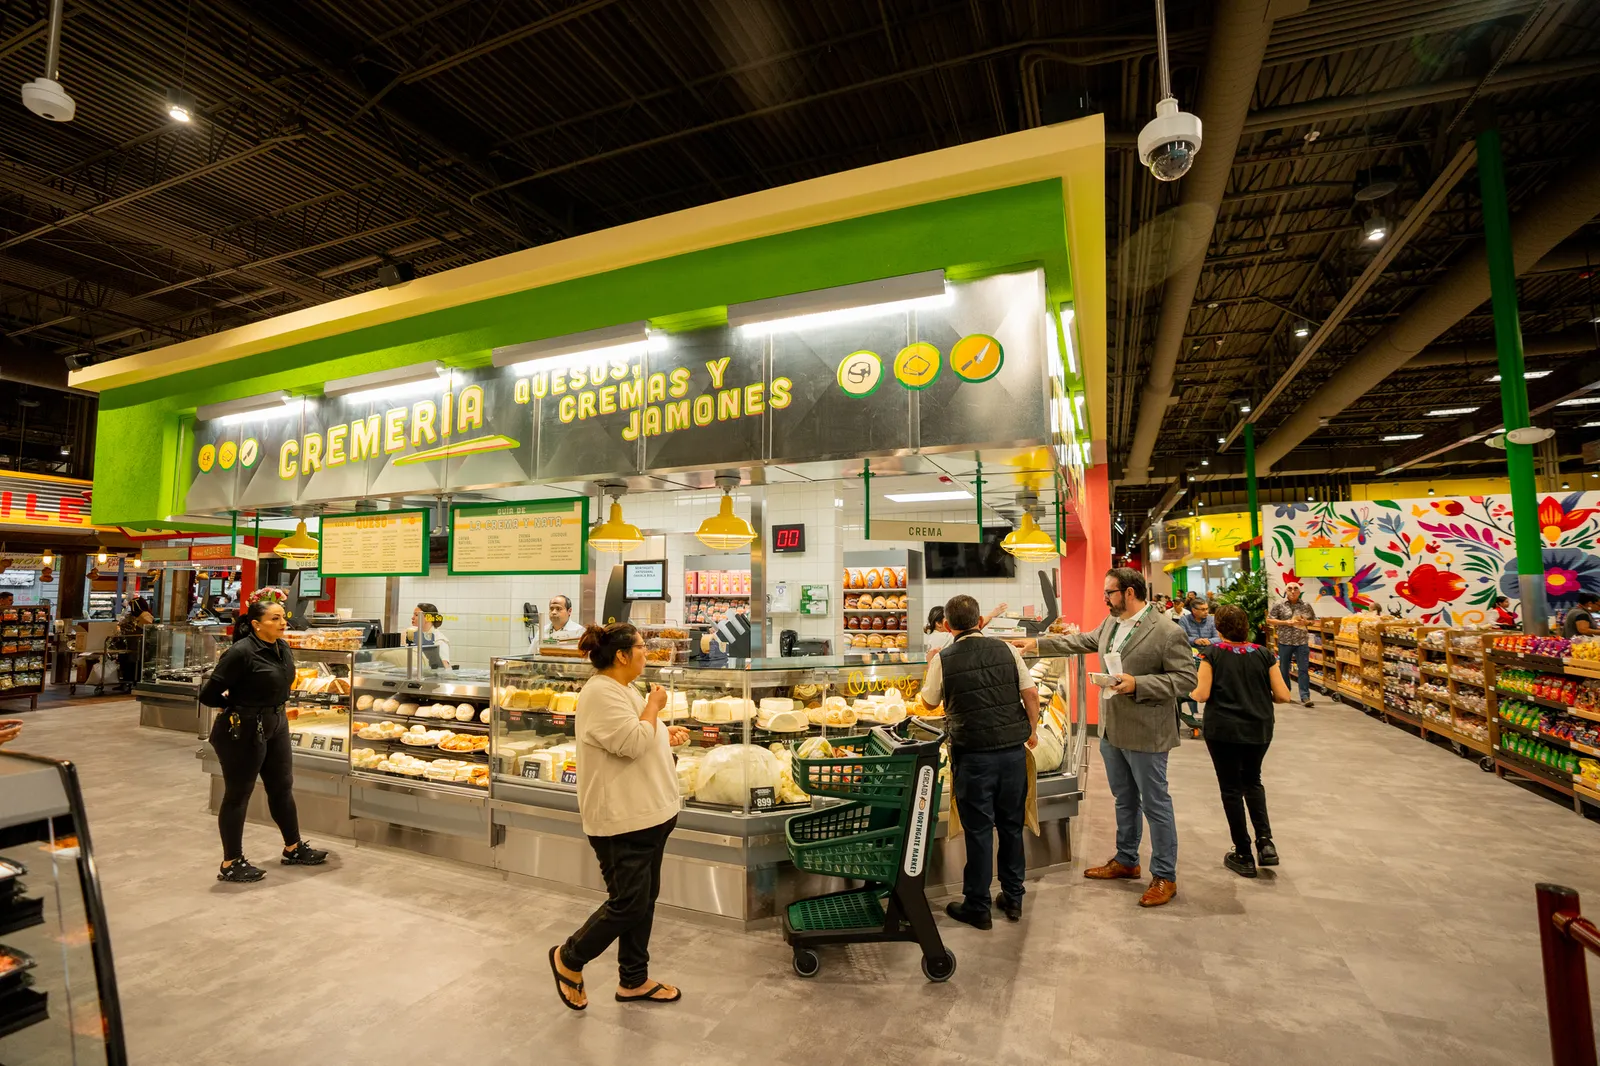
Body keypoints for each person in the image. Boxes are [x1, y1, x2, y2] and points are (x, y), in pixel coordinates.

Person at [1023, 567, 1196, 908]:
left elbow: (1186, 679)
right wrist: (1038, 643)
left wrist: (1138, 684)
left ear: (1130, 593)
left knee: (1155, 804)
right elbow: (1083, 641)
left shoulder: (1166, 631)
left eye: (1110, 593)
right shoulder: (1112, 624)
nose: (1105, 598)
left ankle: (1164, 875)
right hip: (1112, 729)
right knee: (1124, 799)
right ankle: (1127, 859)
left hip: (1148, 732)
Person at [550, 623, 689, 1010]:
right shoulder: (599, 693)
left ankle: (634, 980)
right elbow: (630, 743)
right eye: (643, 647)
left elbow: (636, 734)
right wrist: (654, 708)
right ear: (622, 655)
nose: (648, 653)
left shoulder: (624, 689)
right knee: (627, 902)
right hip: (622, 820)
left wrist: (663, 730)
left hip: (650, 814)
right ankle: (569, 957)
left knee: (643, 902)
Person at [917, 595, 1039, 929]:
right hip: (1012, 754)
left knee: (980, 832)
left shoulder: (944, 657)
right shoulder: (1007, 649)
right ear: (978, 620)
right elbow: (1031, 694)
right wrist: (1031, 730)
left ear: (947, 625)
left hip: (973, 757)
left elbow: (928, 703)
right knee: (1012, 827)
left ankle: (978, 906)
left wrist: (931, 665)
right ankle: (1013, 899)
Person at [199, 597, 328, 883]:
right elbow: (207, 695)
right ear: (256, 624)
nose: (283, 623)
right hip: (244, 729)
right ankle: (231, 862)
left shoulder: (282, 648)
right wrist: (237, 708)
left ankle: (293, 848)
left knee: (282, 787)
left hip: (277, 722)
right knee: (238, 794)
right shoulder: (240, 652)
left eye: (283, 617)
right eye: (275, 619)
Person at [1189, 605, 1290, 879]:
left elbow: (1202, 693)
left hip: (1223, 730)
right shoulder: (1263, 654)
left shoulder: (1212, 654)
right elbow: (1283, 696)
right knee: (1253, 781)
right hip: (1259, 729)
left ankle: (1243, 852)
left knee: (1231, 788)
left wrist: (1190, 689)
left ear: (1219, 628)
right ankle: (1266, 842)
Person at [1267, 583, 1316, 707]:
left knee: (1303, 669)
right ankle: (1285, 694)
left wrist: (1306, 622)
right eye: (1290, 589)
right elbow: (1269, 620)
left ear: (1299, 592)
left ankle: (1305, 696)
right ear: (1286, 591)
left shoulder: (1306, 605)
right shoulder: (1279, 605)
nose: (1293, 591)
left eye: (1296, 589)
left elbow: (1313, 621)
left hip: (1301, 642)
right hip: (1285, 642)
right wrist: (1285, 622)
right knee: (1284, 669)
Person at [407, 603, 451, 667]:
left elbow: (444, 666)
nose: (412, 618)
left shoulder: (439, 640)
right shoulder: (413, 635)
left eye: (416, 615)